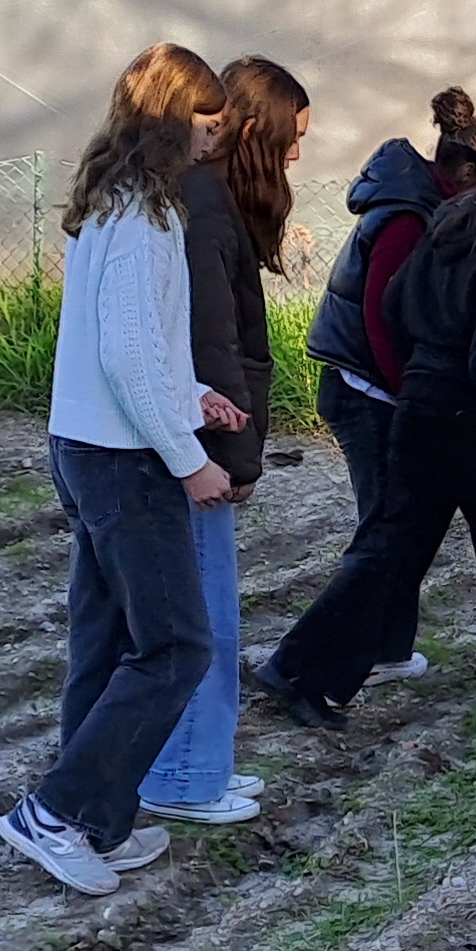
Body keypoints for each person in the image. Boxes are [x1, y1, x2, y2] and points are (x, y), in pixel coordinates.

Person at [0, 42, 247, 896]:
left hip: (87, 445)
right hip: (124, 461)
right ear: (176, 121)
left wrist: (194, 395)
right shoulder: (145, 219)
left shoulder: (120, 202)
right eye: (207, 122)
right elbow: (128, 358)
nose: (216, 137)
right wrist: (189, 460)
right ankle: (56, 812)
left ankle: (96, 821)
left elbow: (138, 348)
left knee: (105, 645)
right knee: (177, 645)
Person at [259, 112, 476, 726]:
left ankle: (298, 669)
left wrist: (420, 376)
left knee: (395, 549)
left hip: (421, 410)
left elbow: (396, 303)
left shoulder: (457, 217)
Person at [139, 55, 308, 829]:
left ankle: (198, 762)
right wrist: (232, 458)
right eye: (290, 137)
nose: (296, 155)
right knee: (204, 618)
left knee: (202, 613)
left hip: (198, 437)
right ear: (250, 132)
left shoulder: (205, 200)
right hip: (200, 443)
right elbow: (213, 341)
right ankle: (183, 775)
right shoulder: (204, 207)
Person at [300, 87, 476, 686]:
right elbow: (380, 319)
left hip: (375, 387)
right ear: (468, 173)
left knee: (396, 522)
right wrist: (410, 394)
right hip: (365, 391)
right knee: (385, 527)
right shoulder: (408, 217)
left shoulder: (418, 203)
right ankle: (318, 658)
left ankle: (385, 649)